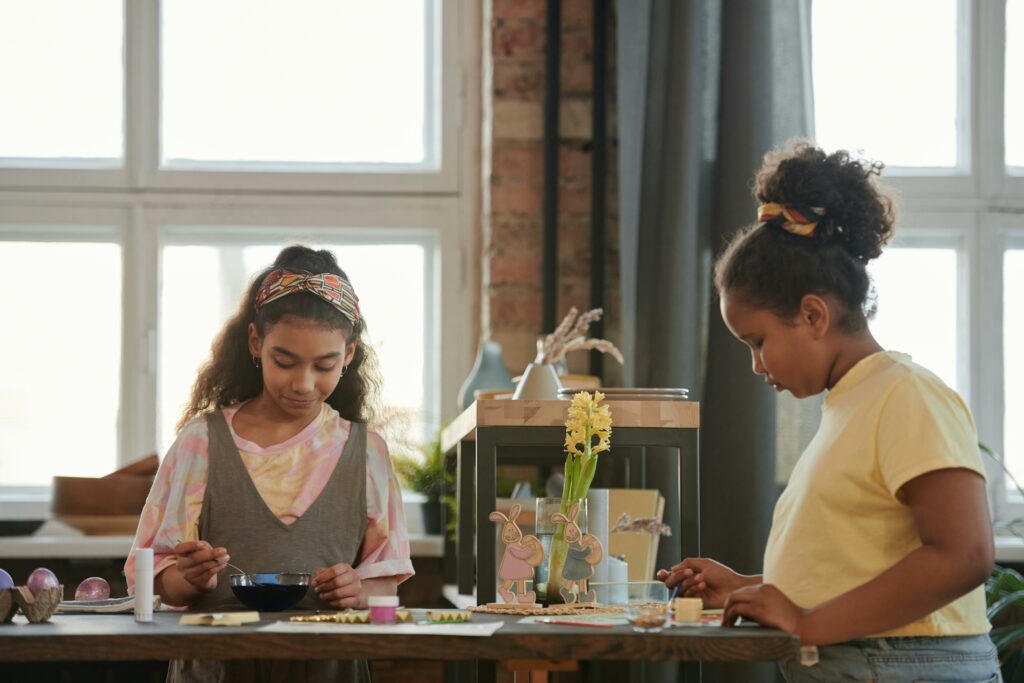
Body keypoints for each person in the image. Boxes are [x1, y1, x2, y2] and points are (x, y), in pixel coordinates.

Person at [658, 142, 1001, 682]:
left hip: (903, 665)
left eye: (757, 342)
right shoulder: (851, 404)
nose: (756, 365)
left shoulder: (906, 395)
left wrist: (807, 623)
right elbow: (855, 567)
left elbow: (966, 555)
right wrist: (750, 587)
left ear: (813, 315)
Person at [125, 245, 413, 682]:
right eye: (285, 361)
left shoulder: (367, 451)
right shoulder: (202, 442)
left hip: (328, 670)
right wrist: (189, 578)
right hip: (217, 667)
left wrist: (357, 591)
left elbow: (385, 583)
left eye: (324, 365)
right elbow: (155, 581)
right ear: (256, 343)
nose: (303, 384)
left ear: (349, 355)